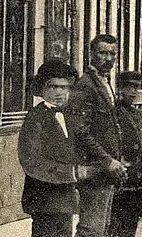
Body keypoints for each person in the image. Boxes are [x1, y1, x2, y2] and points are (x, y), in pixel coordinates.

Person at [18, 60, 95, 237]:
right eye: (53, 87)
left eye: (65, 87)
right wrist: (71, 172)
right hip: (43, 199)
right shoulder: (35, 118)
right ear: (42, 89)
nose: (59, 93)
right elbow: (31, 161)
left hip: (65, 199)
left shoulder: (69, 117)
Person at [70, 34, 127, 237]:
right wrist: (107, 160)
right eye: (103, 53)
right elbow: (80, 131)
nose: (109, 58)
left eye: (113, 54)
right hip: (95, 170)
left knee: (101, 228)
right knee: (91, 230)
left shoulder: (104, 83)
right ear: (91, 54)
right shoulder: (86, 85)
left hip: (107, 170)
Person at [108, 72, 142, 237]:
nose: (132, 92)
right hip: (121, 174)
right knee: (116, 220)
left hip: (137, 176)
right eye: (128, 87)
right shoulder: (114, 112)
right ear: (120, 89)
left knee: (131, 221)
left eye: (136, 88)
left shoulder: (139, 114)